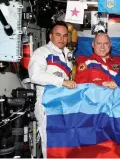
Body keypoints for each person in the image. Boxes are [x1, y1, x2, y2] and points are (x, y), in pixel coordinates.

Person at [28, 21, 77, 158]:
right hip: (47, 105)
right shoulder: (42, 52)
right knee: (50, 142)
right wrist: (62, 82)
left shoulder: (68, 55)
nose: (62, 39)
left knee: (64, 143)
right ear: (50, 36)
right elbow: (35, 75)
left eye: (65, 36)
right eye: (58, 35)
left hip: (63, 105)